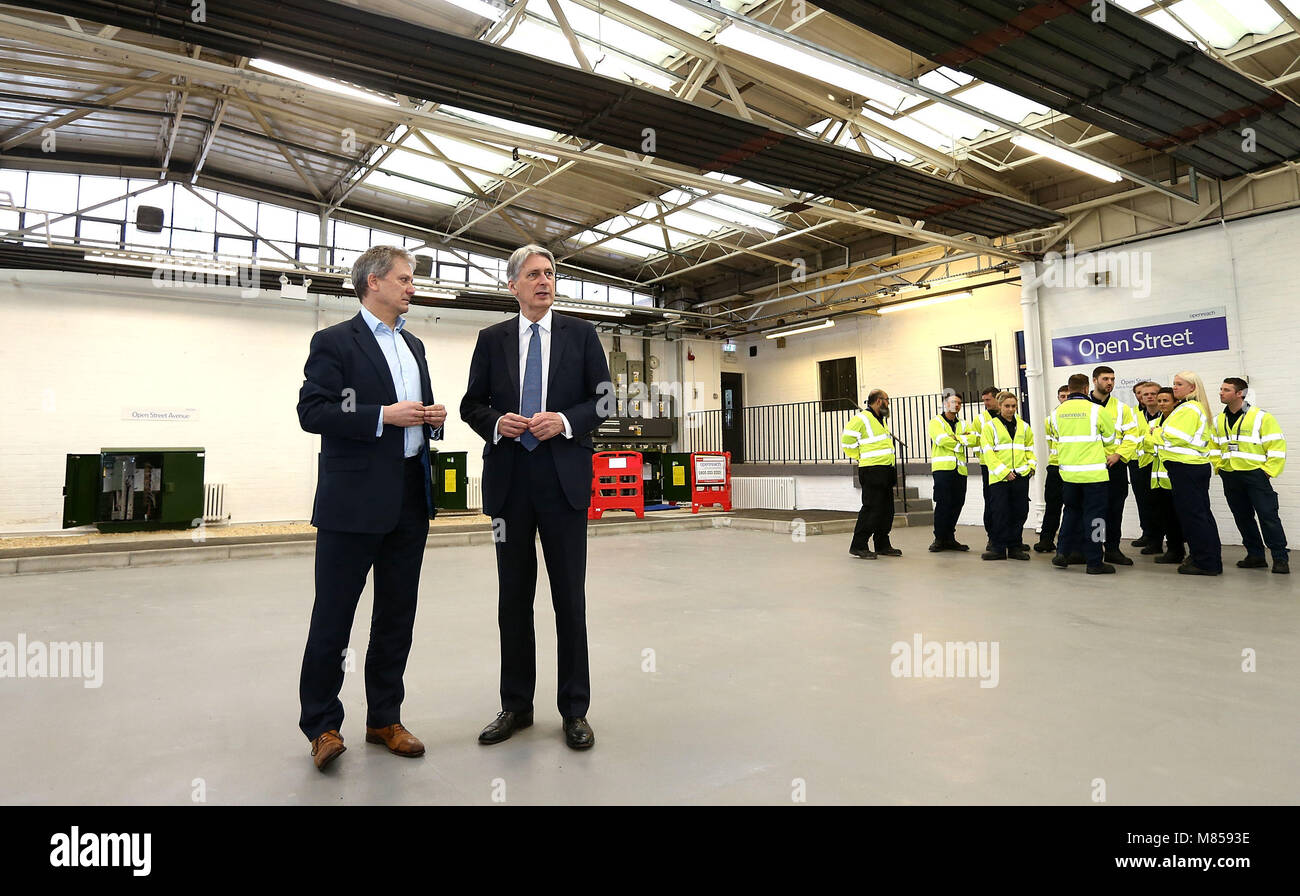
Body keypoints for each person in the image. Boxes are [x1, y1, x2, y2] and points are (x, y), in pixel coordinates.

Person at [296, 245, 446, 771]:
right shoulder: (334, 341)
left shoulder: (415, 346)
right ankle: (322, 725)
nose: (412, 287)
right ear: (373, 282)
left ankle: (384, 717)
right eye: (404, 279)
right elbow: (312, 411)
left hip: (409, 496)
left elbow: (414, 416)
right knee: (333, 617)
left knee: (395, 617)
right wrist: (383, 414)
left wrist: (431, 417)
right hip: (351, 502)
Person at [460, 244, 611, 750]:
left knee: (570, 600)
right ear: (513, 286)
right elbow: (470, 403)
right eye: (533, 275)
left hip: (564, 482)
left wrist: (565, 420)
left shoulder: (582, 334)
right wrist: (495, 422)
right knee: (513, 600)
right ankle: (516, 706)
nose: (543, 281)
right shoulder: (491, 338)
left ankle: (574, 709)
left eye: (549, 274)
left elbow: (604, 399)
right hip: (510, 484)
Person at [1215, 377, 1289, 574]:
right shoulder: (1218, 419)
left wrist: (1268, 471)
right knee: (1242, 517)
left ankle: (1280, 558)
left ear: (1240, 393)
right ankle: (1255, 556)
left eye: (1226, 390)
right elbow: (1213, 446)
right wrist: (1219, 466)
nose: (1221, 393)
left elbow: (1276, 446)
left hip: (1255, 475)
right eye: (1221, 389)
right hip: (1230, 474)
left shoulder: (1261, 417)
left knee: (1268, 516)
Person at [1047, 373, 1118, 574]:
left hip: (1068, 474)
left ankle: (1062, 553)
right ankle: (1095, 561)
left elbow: (1054, 435)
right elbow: (1111, 438)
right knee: (1097, 518)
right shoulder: (1096, 410)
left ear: (1069, 390)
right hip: (1094, 475)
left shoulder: (1056, 413)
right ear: (1087, 389)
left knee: (1070, 513)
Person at [1161, 371, 1222, 575]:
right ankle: (1204, 557)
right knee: (1200, 514)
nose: (1174, 387)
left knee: (1194, 516)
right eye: (1174, 383)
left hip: (1186, 468)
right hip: (1191, 468)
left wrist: (1154, 434)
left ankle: (1205, 562)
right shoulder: (1191, 407)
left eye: (1179, 384)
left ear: (1192, 388)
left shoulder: (1188, 409)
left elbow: (1176, 437)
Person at [1089, 366, 1141, 565]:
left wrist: (1118, 454)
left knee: (1114, 510)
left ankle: (1112, 549)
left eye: (1112, 379)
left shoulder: (1122, 408)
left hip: (1116, 467)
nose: (1109, 382)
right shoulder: (1084, 408)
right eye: (1105, 379)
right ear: (1095, 380)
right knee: (1095, 512)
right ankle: (1095, 549)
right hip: (1091, 468)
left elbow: (1132, 436)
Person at [842, 389, 900, 559]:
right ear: (878, 400)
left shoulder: (881, 420)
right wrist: (859, 456)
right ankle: (858, 545)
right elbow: (847, 441)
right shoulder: (861, 418)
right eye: (887, 400)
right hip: (872, 470)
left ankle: (882, 544)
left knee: (887, 510)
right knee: (872, 509)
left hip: (886, 469)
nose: (888, 403)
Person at [981, 391, 1036, 561]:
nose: (1011, 409)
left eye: (1013, 406)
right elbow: (988, 452)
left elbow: (1030, 449)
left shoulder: (1024, 426)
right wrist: (1004, 472)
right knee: (1000, 512)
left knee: (1020, 512)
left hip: (1020, 476)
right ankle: (998, 548)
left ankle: (1014, 547)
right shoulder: (990, 427)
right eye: (1007, 406)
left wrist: (1031, 466)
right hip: (1000, 478)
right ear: (999, 406)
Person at [1147, 387, 1185, 565]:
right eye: (1159, 400)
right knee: (1167, 518)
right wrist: (1156, 438)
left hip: (1177, 476)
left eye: (1165, 401)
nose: (1161, 404)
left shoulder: (1179, 422)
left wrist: (1156, 438)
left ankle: (1188, 550)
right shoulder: (1153, 423)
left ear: (1175, 402)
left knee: (1182, 517)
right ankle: (1174, 550)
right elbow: (1148, 445)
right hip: (1159, 479)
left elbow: (1167, 442)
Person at [927, 389, 969, 552]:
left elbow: (974, 439)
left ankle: (950, 538)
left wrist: (955, 439)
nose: (957, 405)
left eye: (959, 403)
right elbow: (941, 440)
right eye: (954, 402)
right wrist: (962, 440)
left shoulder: (964, 423)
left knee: (957, 503)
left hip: (960, 471)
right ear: (945, 404)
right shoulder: (936, 422)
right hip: (943, 470)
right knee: (943, 504)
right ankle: (939, 538)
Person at [1033, 384, 1070, 553]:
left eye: (1068, 396)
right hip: (1055, 467)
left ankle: (1070, 542)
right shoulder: (1051, 418)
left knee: (1074, 507)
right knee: (1052, 506)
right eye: (1062, 396)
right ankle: (1046, 540)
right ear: (1058, 398)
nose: (1065, 399)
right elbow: (1050, 442)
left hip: (1073, 468)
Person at [1129, 381, 1164, 555]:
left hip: (1160, 465)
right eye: (1145, 394)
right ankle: (1150, 536)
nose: (1149, 396)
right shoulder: (1134, 416)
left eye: (1153, 393)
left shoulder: (1167, 416)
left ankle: (1163, 539)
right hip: (1138, 464)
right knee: (1144, 502)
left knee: (1161, 504)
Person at [966, 386, 1001, 551]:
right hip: (988, 466)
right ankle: (992, 538)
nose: (985, 403)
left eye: (988, 399)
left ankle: (1012, 537)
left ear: (996, 398)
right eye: (984, 400)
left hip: (1007, 465)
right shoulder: (980, 419)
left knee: (1010, 503)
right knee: (991, 502)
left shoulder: (1010, 415)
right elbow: (974, 440)